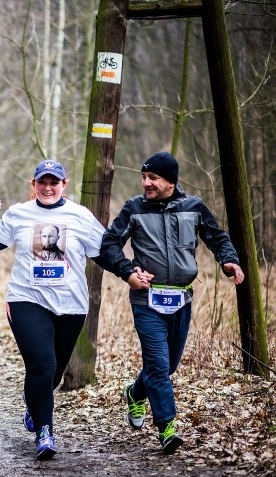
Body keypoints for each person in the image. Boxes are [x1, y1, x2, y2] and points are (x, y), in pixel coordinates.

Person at [101, 151, 244, 454]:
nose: (146, 183)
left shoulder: (193, 207)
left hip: (181, 299)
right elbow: (109, 244)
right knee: (158, 363)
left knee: (168, 366)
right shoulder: (134, 209)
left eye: (153, 178)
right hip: (146, 299)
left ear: (170, 181)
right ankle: (167, 427)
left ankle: (135, 393)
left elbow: (217, 237)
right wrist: (128, 272)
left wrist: (228, 260)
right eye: (143, 177)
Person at [0, 159, 109, 460]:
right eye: (42, 182)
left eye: (54, 182)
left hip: (70, 304)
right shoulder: (19, 213)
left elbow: (105, 253)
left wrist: (130, 272)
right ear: (34, 184)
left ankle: (34, 403)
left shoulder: (80, 215)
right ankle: (45, 432)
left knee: (54, 373)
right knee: (42, 364)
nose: (48, 187)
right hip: (27, 299)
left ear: (64, 185)